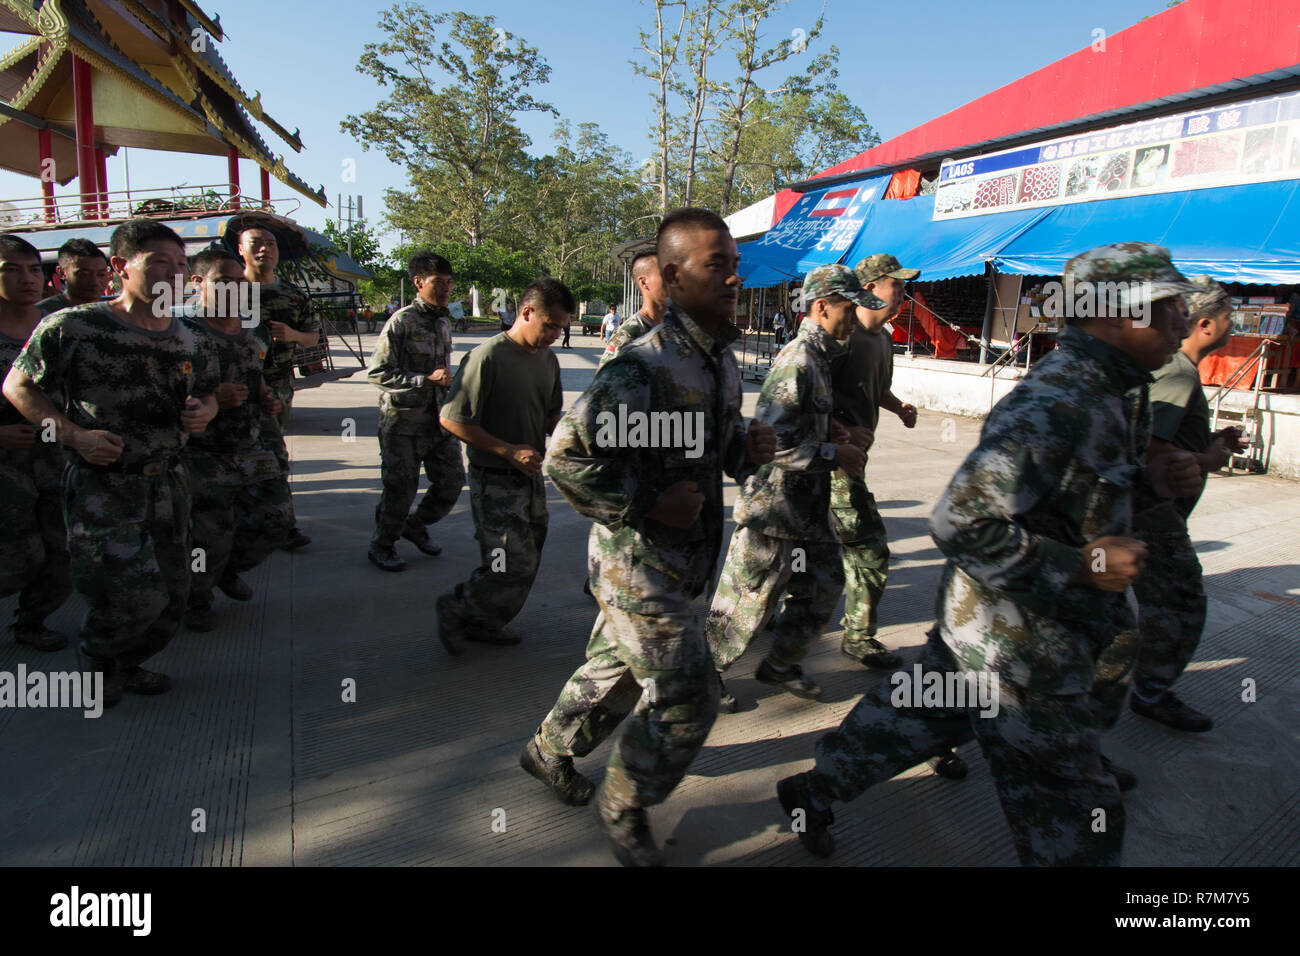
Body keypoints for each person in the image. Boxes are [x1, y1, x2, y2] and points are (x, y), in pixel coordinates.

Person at [777, 242, 1201, 865]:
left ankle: (810, 792)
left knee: (907, 722)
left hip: (995, 635)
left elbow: (1078, 499)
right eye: (1167, 308)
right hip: (1020, 659)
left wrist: (1153, 485)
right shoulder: (1057, 402)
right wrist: (1083, 567)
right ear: (1118, 314)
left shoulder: (1121, 390)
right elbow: (960, 522)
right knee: (1080, 828)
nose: (1181, 323)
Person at [519, 209, 777, 867]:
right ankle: (625, 806)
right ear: (670, 275)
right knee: (688, 695)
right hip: (635, 567)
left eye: (734, 265)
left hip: (684, 563)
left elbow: (714, 451)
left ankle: (547, 749)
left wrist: (748, 451)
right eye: (715, 265)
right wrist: (649, 502)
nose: (733, 279)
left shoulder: (719, 362)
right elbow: (565, 458)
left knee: (618, 672)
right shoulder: (642, 366)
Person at [3, 219, 220, 707]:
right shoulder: (74, 327)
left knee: (173, 593)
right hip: (104, 487)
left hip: (170, 483)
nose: (175, 274)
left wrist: (207, 410)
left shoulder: (191, 338)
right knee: (124, 594)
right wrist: (73, 435)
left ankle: (128, 661)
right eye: (160, 262)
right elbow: (18, 387)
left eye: (182, 265)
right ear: (121, 267)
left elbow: (208, 395)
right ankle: (99, 666)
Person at [708, 264, 879, 711]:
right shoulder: (798, 359)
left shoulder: (822, 356)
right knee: (746, 604)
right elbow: (772, 442)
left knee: (825, 582)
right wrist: (833, 455)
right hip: (774, 510)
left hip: (806, 508)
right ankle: (703, 674)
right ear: (821, 307)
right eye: (850, 307)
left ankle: (781, 663)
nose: (856, 317)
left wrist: (837, 431)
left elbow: (806, 417)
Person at [1123, 276, 1245, 732]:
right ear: (1207, 323)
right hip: (1153, 514)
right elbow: (1151, 448)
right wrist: (1207, 458)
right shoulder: (1176, 370)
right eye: (1230, 316)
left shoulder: (1175, 368)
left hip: (1154, 512)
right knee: (1180, 604)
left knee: (1127, 608)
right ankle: (1150, 691)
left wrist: (1208, 443)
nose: (1233, 325)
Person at [436, 278, 571, 652]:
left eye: (561, 328)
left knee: (530, 552)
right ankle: (459, 605)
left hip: (530, 477)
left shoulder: (549, 360)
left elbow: (550, 417)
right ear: (527, 313)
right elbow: (452, 419)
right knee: (509, 562)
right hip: (493, 478)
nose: (556, 335)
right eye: (551, 325)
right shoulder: (487, 357)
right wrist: (507, 450)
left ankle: (484, 620)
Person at [178, 247, 292, 631]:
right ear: (199, 284)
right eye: (224, 283)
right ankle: (197, 597)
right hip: (202, 453)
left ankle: (225, 571)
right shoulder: (181, 333)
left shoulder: (252, 327)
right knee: (208, 535)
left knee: (276, 519)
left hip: (252, 443)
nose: (235, 290)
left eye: (240, 284)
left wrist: (265, 397)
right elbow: (162, 393)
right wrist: (213, 399)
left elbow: (254, 370)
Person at [366, 252, 465, 572]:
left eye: (449, 283)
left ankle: (415, 524)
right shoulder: (402, 321)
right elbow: (378, 373)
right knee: (400, 487)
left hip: (438, 420)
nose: (446, 289)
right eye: (439, 282)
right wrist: (424, 380)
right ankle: (382, 545)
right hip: (403, 423)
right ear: (419, 282)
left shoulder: (443, 321)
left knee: (451, 482)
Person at [0, 234, 72, 651]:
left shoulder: (55, 327)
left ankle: (32, 621)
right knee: (15, 559)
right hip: (5, 464)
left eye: (33, 269)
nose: (27, 279)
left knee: (61, 551)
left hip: (54, 458)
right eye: (11, 269)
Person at [238, 224, 318, 551]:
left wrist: (292, 335)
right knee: (236, 456)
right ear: (241, 249)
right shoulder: (228, 291)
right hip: (236, 389)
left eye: (271, 244)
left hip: (278, 385)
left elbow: (313, 336)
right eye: (256, 244)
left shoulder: (292, 294)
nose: (265, 250)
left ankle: (282, 526)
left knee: (274, 457)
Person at [36, 238, 111, 317]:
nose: (94, 282)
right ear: (62, 272)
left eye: (101, 274)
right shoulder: (41, 314)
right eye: (84, 274)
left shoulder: (114, 312)